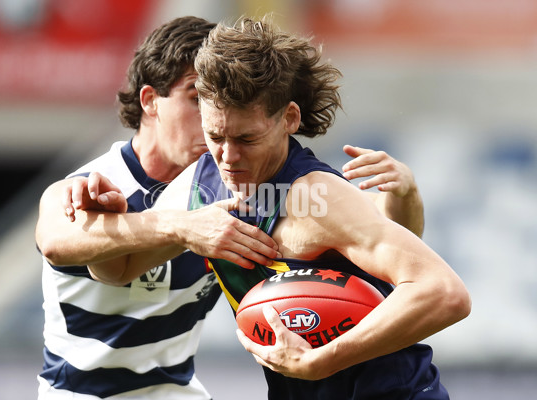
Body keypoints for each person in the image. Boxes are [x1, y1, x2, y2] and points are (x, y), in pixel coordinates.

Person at [81, 16, 471, 400]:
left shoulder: (318, 198)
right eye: (215, 135)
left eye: (246, 138)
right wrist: (109, 223)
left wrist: (323, 360)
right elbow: (118, 270)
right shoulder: (199, 186)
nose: (228, 157)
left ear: (289, 118)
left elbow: (445, 293)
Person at [35, 16, 282, 400]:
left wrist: (402, 200)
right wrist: (181, 227)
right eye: (197, 98)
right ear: (150, 101)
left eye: (221, 101)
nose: (211, 117)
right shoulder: (90, 185)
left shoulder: (233, 187)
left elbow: (371, 253)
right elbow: (54, 239)